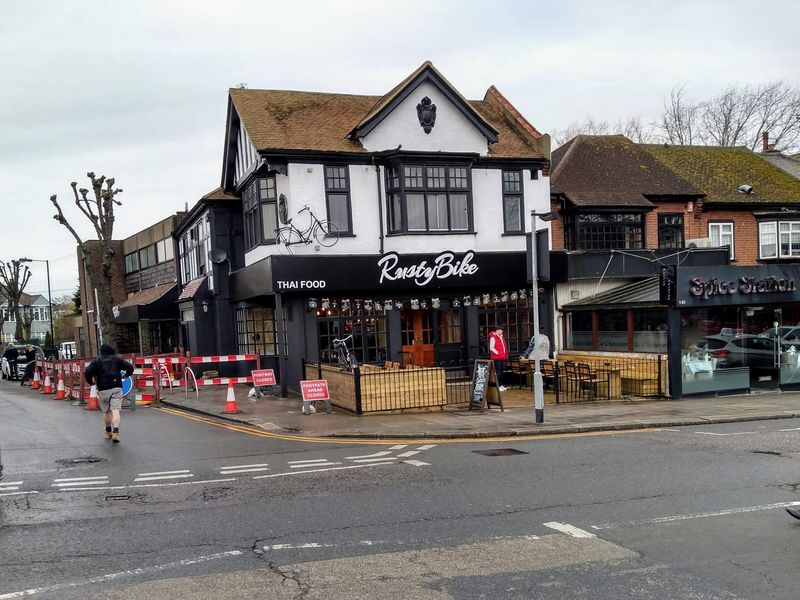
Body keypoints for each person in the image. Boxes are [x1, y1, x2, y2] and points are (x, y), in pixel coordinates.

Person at [84, 343, 134, 443]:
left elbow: (87, 372)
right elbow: (130, 367)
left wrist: (91, 382)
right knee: (116, 411)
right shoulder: (117, 359)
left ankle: (108, 430)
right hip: (116, 388)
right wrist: (126, 376)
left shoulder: (96, 361)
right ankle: (116, 431)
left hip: (103, 389)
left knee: (106, 412)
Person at [488, 325, 508, 392]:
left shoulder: (501, 337)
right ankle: (498, 386)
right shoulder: (493, 338)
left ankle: (501, 385)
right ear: (497, 330)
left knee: (501, 372)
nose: (502, 331)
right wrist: (497, 353)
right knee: (498, 372)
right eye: (501, 330)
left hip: (502, 357)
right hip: (497, 358)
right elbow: (491, 347)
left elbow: (503, 346)